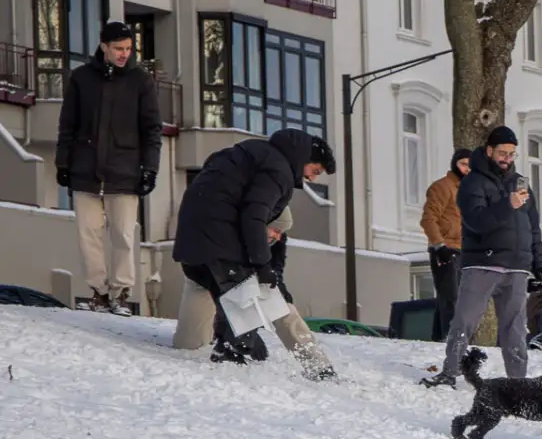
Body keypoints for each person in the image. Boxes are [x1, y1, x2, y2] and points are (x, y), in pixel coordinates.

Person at [172, 128, 335, 365]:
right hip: (219, 239)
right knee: (256, 296)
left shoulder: (254, 154)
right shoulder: (279, 171)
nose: (312, 178)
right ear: (304, 158)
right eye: (315, 170)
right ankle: (316, 366)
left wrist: (270, 273)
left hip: (191, 239)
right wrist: (261, 265)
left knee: (228, 293)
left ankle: (214, 345)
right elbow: (254, 216)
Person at [422, 126, 542, 388]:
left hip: (517, 266)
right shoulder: (472, 182)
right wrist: (507, 205)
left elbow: (533, 227)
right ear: (489, 150)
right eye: (502, 153)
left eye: (512, 154)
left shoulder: (521, 183)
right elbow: (476, 221)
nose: (507, 159)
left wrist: (540, 264)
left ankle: (518, 383)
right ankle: (450, 372)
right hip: (483, 262)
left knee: (515, 329)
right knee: (465, 321)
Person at [55, 21, 163, 316]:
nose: (124, 54)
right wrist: (63, 163)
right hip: (85, 171)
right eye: (118, 48)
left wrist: (150, 169)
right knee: (88, 234)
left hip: (125, 173)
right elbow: (67, 124)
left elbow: (152, 130)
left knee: (124, 236)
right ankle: (98, 293)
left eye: (128, 48)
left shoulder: (141, 81)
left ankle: (121, 294)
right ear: (104, 46)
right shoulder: (81, 78)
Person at [172, 207, 337, 381]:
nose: (279, 237)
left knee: (284, 311)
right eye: (276, 230)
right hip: (204, 279)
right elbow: (222, 289)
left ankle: (319, 366)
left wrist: (281, 292)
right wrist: (244, 329)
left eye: (282, 232)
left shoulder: (277, 239)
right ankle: (217, 336)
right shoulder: (225, 237)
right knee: (188, 344)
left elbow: (275, 270)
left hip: (246, 280)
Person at [422, 148, 472, 341]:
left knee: (456, 298)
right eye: (463, 164)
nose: (467, 169)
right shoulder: (442, 187)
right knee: (451, 297)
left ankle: (439, 339)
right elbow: (428, 219)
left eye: (471, 165)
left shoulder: (471, 190)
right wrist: (439, 245)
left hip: (465, 250)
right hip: (446, 249)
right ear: (455, 164)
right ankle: (453, 341)